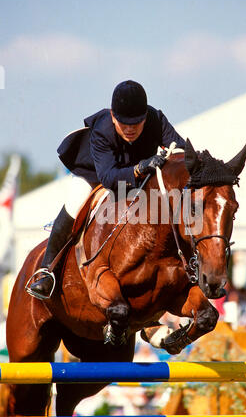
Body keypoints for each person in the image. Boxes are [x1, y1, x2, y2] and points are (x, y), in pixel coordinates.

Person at [29, 80, 186, 300]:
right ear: (113, 116)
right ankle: (46, 271)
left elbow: (182, 152)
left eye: (137, 123)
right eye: (124, 123)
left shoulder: (156, 119)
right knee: (75, 203)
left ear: (145, 117)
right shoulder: (102, 129)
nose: (130, 129)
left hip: (139, 181)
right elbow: (109, 177)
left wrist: (175, 158)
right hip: (96, 176)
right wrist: (140, 168)